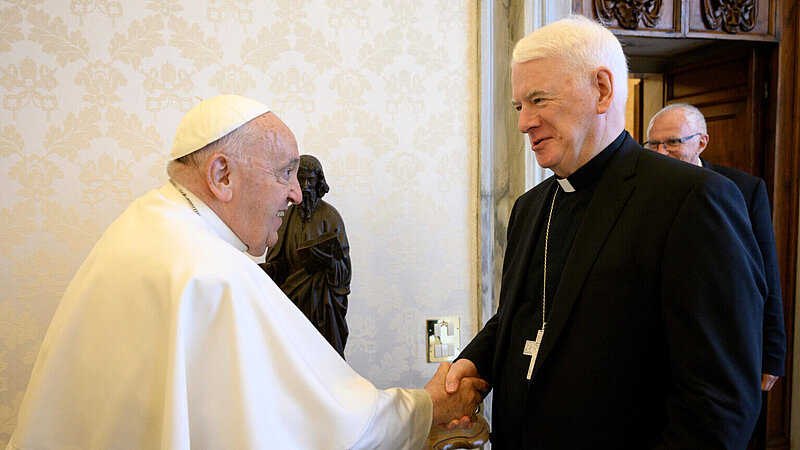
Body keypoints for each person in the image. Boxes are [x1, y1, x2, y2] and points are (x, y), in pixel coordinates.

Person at [7, 95, 487, 449]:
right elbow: (329, 427)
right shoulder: (210, 272)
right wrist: (427, 407)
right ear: (221, 176)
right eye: (284, 173)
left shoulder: (146, 224)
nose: (297, 195)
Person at [442, 15, 765, 448]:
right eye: (521, 106)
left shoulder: (692, 199)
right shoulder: (531, 206)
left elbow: (718, 400)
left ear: (602, 89)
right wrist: (474, 363)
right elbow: (527, 315)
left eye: (539, 100)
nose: (524, 123)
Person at [646, 102, 787, 445]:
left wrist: (772, 354)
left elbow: (765, 273)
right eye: (653, 145)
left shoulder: (743, 188)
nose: (661, 153)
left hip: (732, 344)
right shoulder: (644, 190)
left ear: (702, 142)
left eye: (673, 143)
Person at [262, 154, 351, 358]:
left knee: (324, 360)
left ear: (318, 181)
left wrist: (328, 261)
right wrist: (267, 270)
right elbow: (278, 262)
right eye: (300, 179)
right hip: (291, 303)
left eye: (310, 180)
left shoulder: (330, 217)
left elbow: (343, 272)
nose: (306, 185)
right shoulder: (284, 217)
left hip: (323, 306)